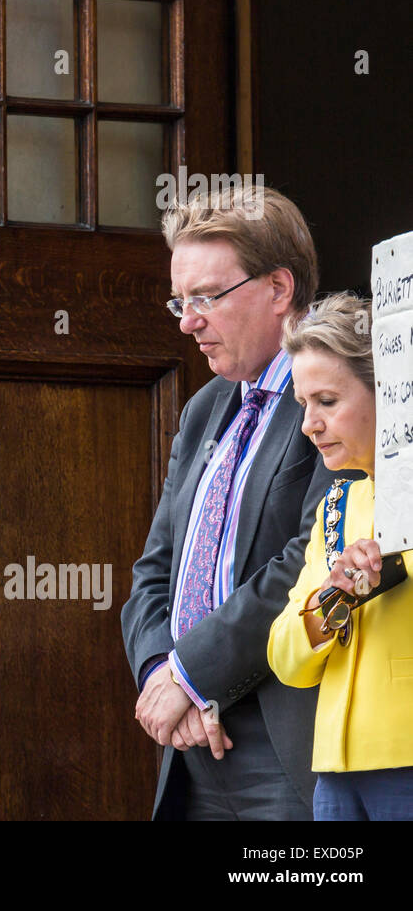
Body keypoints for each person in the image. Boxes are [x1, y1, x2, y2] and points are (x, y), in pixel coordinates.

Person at [121, 188, 332, 819]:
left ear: (278, 289)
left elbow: (310, 560)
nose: (188, 321)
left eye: (207, 297)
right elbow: (155, 569)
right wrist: (164, 672)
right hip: (190, 749)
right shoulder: (205, 407)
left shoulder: (330, 399)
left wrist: (190, 673)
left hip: (288, 745)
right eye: (180, 302)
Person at [267, 294, 413, 820]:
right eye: (304, 404)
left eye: (327, 401)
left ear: (389, 392)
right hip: (333, 774)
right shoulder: (336, 506)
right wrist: (335, 595)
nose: (309, 423)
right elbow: (285, 658)